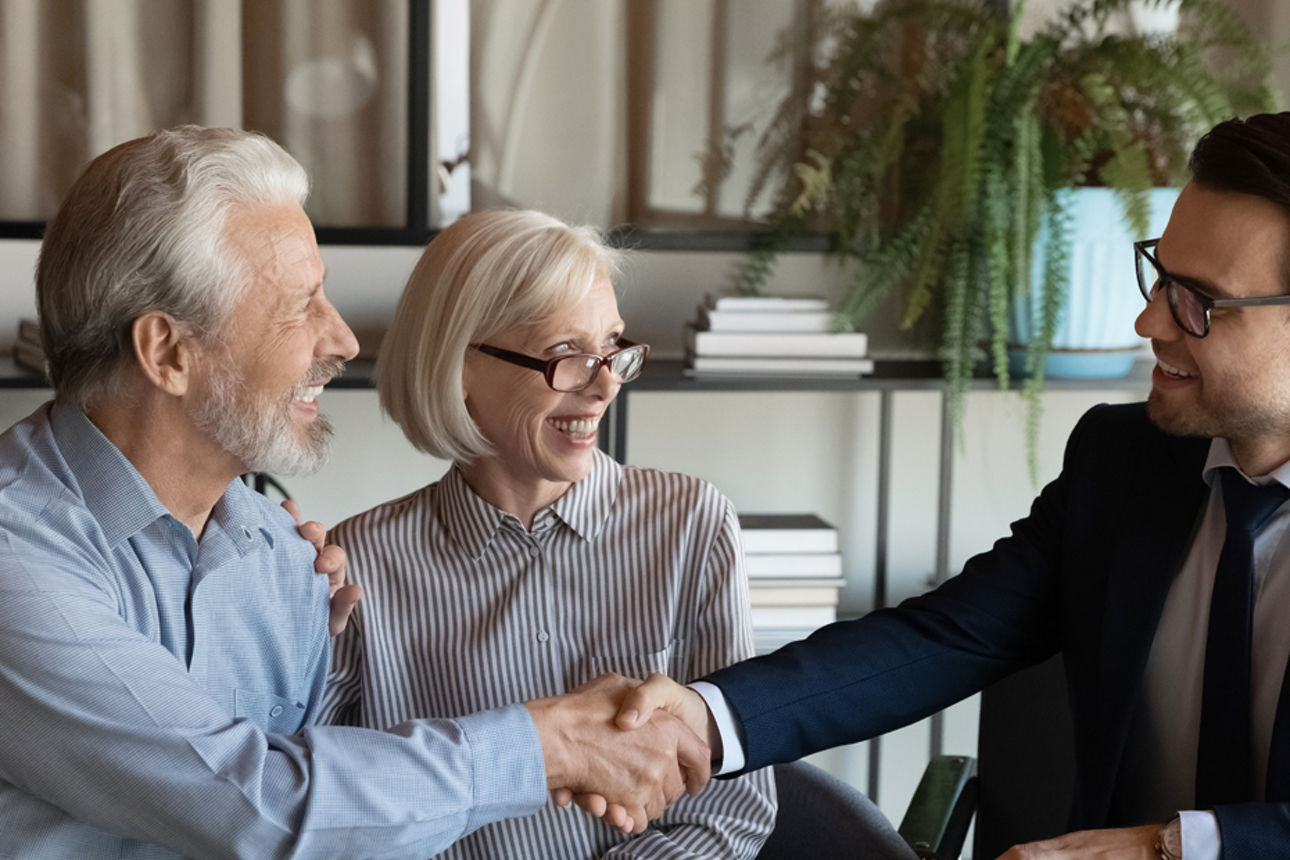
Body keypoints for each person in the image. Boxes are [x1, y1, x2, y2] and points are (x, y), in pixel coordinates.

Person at [0, 126, 708, 859]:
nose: (340, 339)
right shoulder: (16, 557)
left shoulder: (287, 562)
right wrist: (545, 746)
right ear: (169, 353)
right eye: (300, 306)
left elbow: (339, 821)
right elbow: (261, 806)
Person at [610, 111, 1290, 860]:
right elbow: (942, 638)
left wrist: (1171, 847)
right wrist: (703, 716)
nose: (1147, 319)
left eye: (1199, 302)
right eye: (1159, 275)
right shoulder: (1126, 462)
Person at [318, 208, 776, 859]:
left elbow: (732, 810)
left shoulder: (691, 525)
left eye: (613, 348)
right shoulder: (359, 562)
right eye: (567, 354)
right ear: (461, 365)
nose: (603, 386)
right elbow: (327, 805)